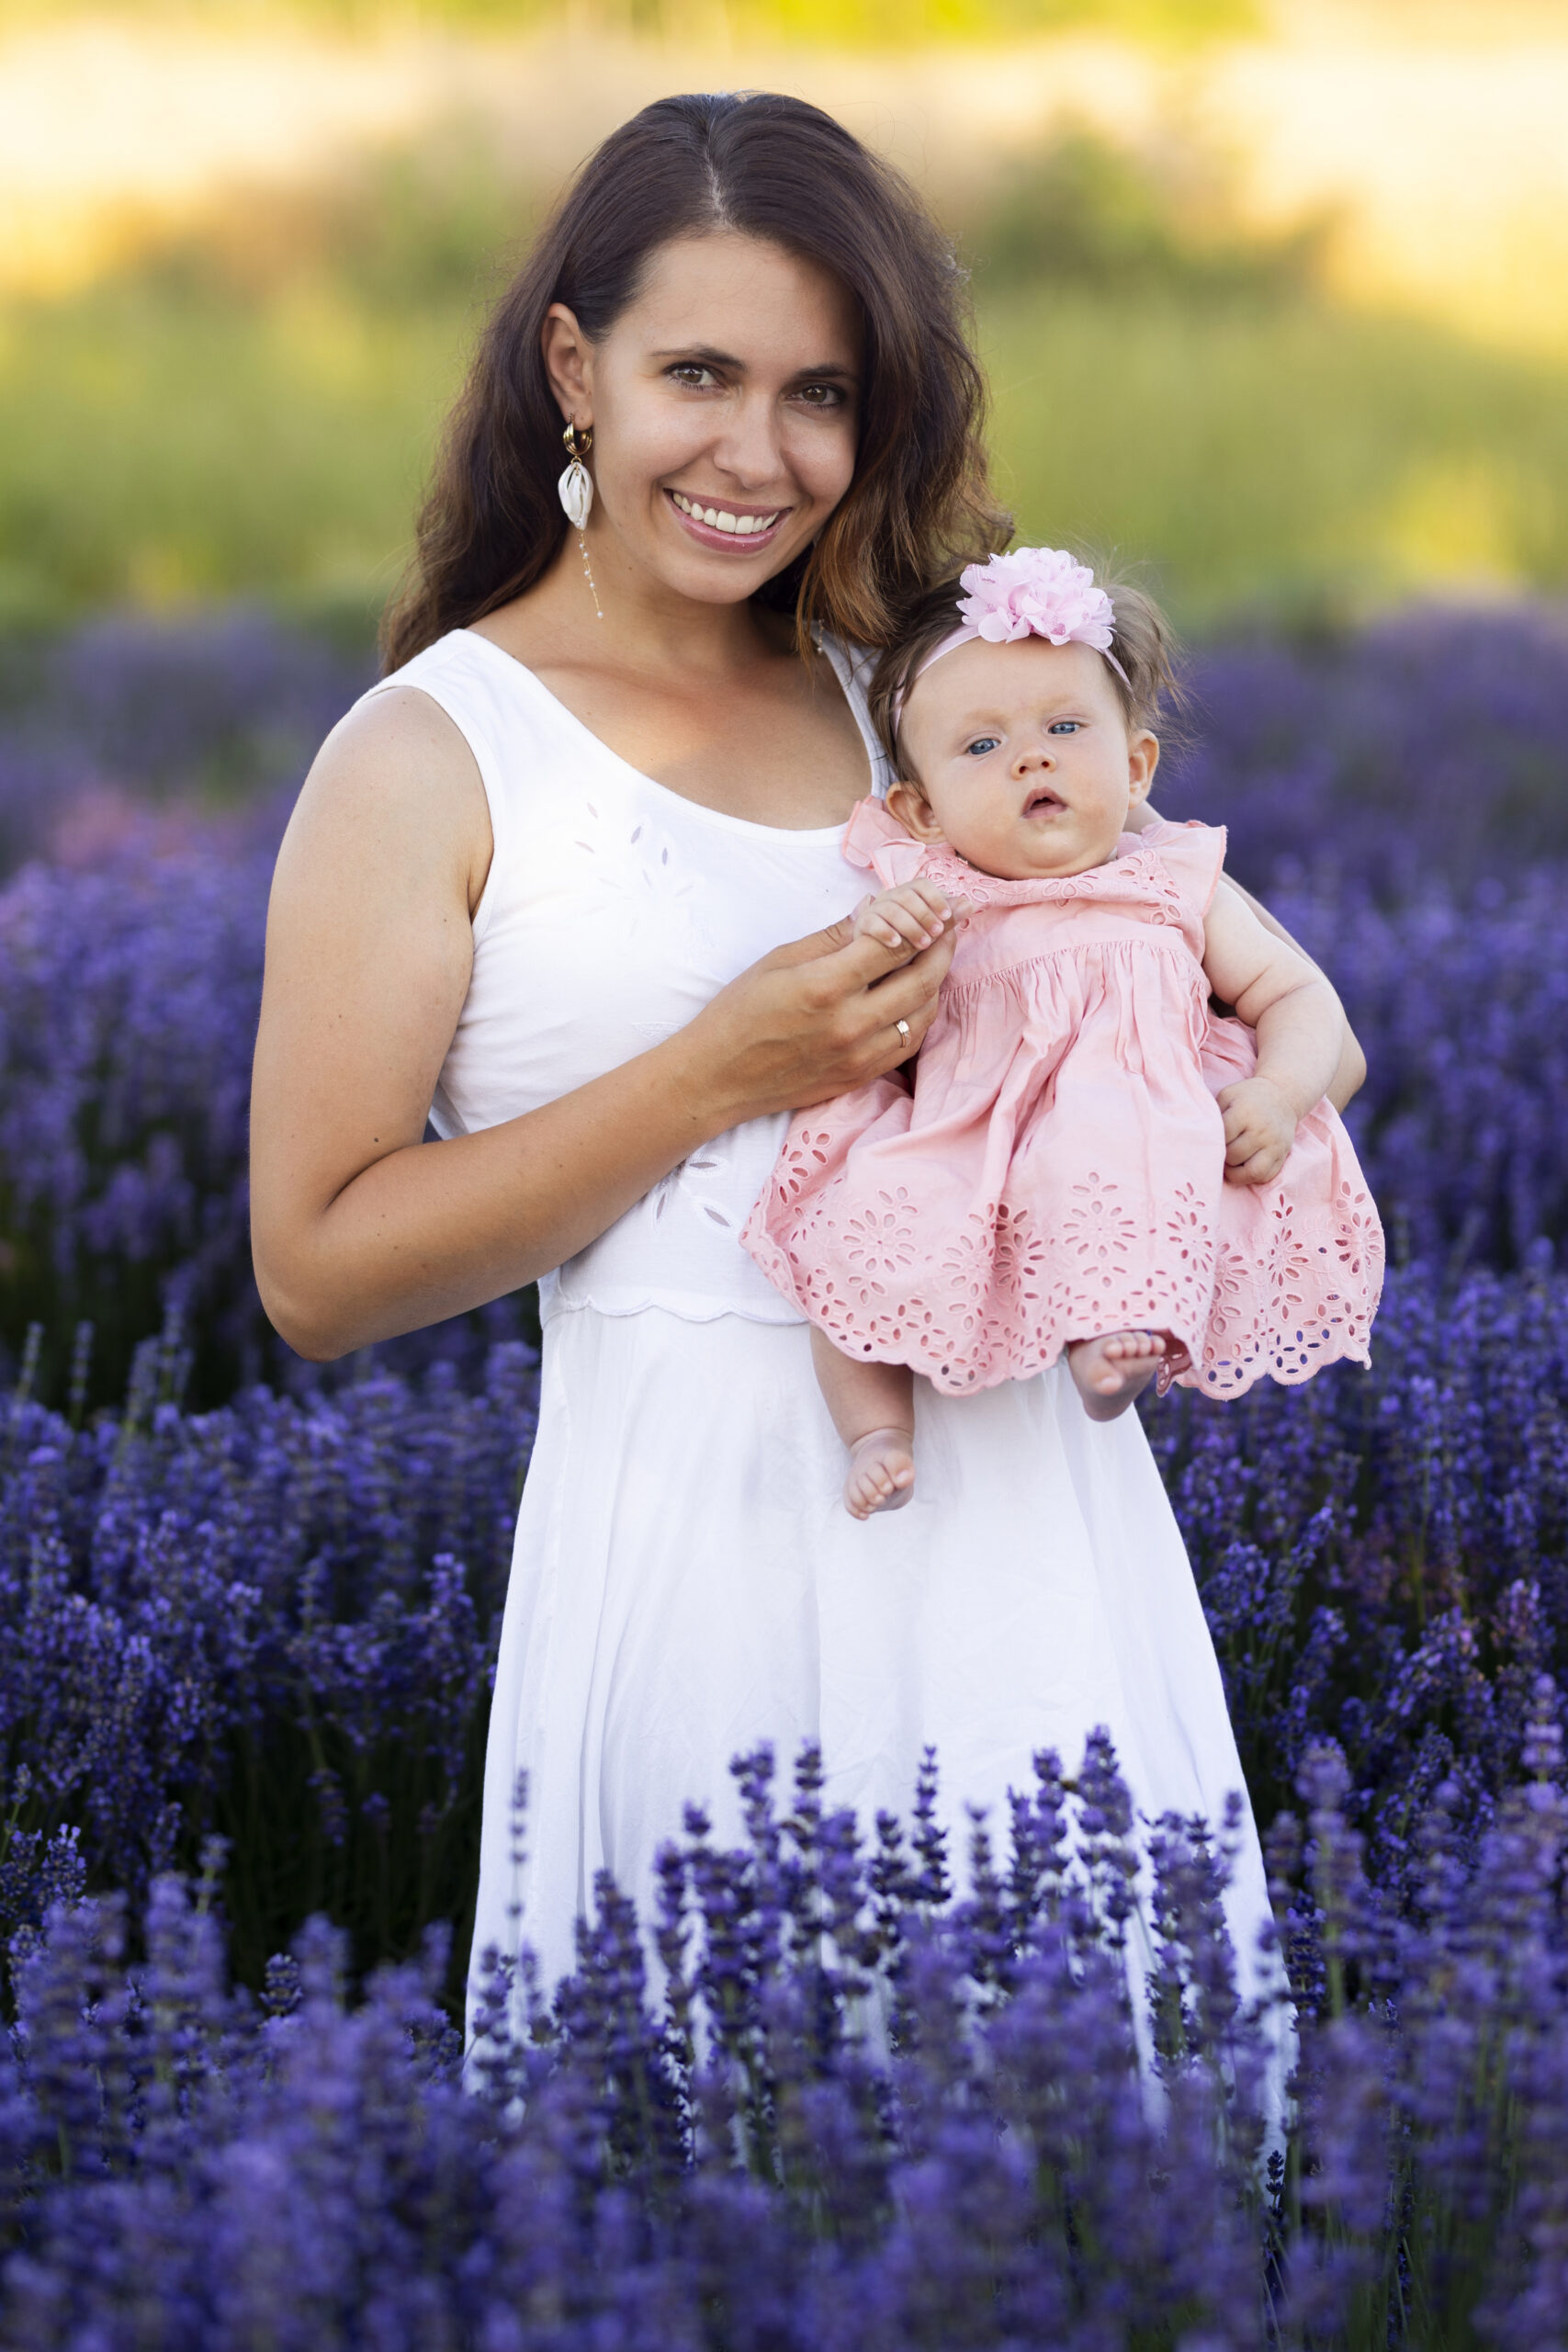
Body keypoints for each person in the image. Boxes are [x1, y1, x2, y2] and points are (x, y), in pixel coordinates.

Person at [249, 94, 1367, 2038]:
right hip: (704, 1544)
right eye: (697, 373)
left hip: (1032, 1521)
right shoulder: (430, 753)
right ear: (573, 368)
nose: (755, 454)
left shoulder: (921, 703)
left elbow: (1159, 968)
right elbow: (317, 1271)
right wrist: (713, 1072)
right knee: (718, 2126)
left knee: (1077, 2140)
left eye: (819, 394)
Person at [745, 548, 1383, 1517]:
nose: (1031, 758)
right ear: (922, 811)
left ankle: (1109, 1339)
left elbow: (1297, 994)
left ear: (1136, 767)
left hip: (1122, 1126)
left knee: (1117, 1165)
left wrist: (1280, 1094)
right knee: (860, 1225)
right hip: (967, 1135)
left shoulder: (1172, 881)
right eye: (981, 746)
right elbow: (869, 1000)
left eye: (1065, 728)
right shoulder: (937, 889)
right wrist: (885, 927)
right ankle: (875, 1426)